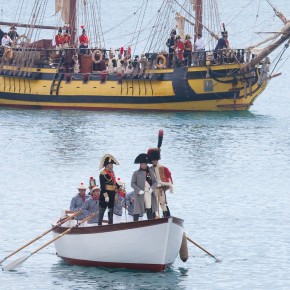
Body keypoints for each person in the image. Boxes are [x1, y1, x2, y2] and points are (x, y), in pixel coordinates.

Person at [131, 153, 158, 221]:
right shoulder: (136, 173)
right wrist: (138, 190)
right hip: (139, 194)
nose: (144, 165)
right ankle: (135, 225)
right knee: (136, 210)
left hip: (149, 193)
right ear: (140, 165)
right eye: (142, 164)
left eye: (145, 164)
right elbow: (132, 184)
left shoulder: (150, 172)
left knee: (149, 209)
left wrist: (152, 188)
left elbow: (155, 182)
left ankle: (150, 224)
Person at [147, 148, 173, 218]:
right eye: (153, 160)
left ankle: (166, 217)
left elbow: (169, 178)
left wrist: (168, 186)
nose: (154, 161)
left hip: (161, 189)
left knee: (163, 203)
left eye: (155, 160)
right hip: (154, 189)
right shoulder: (149, 169)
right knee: (153, 204)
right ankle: (153, 218)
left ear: (157, 160)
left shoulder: (163, 168)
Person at [98, 154, 120, 225]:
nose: (112, 165)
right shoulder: (103, 173)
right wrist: (105, 195)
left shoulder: (112, 172)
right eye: (111, 164)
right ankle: (99, 224)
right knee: (102, 209)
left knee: (111, 209)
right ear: (107, 165)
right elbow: (102, 186)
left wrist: (119, 187)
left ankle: (110, 224)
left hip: (112, 193)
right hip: (105, 193)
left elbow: (113, 182)